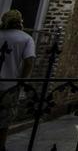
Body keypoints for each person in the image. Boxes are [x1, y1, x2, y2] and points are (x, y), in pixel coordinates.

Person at [0, 10, 35, 151]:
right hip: (9, 85)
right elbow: (29, 62)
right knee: (4, 120)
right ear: (20, 22)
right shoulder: (25, 38)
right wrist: (22, 80)